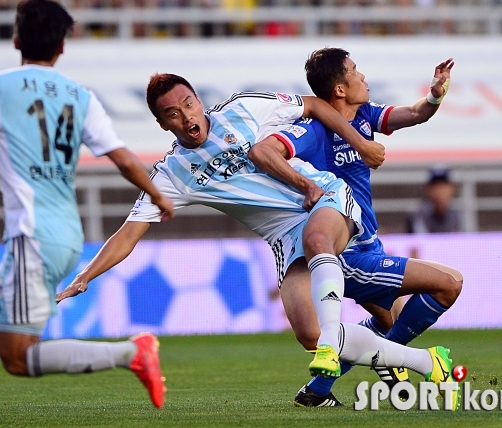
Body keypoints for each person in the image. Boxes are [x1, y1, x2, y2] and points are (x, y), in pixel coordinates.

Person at [56, 73, 460, 410]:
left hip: (322, 199)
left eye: (188, 105)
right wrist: (86, 275)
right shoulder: (172, 173)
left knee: (320, 241)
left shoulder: (244, 107)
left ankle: (348, 345)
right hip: (285, 239)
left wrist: (361, 142)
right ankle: (422, 360)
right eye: (172, 114)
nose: (185, 117)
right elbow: (127, 234)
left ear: (199, 101)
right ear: (163, 125)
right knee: (308, 332)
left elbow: (316, 106)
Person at [249, 48, 463, 407]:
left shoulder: (364, 114)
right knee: (449, 284)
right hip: (344, 250)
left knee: (385, 319)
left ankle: (317, 391)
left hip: (371, 244)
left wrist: (435, 94)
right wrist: (305, 186)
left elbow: (413, 114)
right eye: (354, 70)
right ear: (339, 90)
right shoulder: (313, 129)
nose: (363, 75)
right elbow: (269, 150)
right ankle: (393, 362)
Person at [0, 0, 175, 409]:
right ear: (62, 46)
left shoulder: (4, 88)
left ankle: (131, 353)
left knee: (17, 357)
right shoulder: (80, 97)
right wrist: (158, 194)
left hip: (33, 236)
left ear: (16, 38)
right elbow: (124, 158)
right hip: (63, 235)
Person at [407, 164, 463, 234]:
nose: (439, 191)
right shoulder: (418, 215)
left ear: (452, 189)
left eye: (443, 186)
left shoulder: (458, 215)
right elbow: (421, 241)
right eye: (435, 186)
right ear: (427, 189)